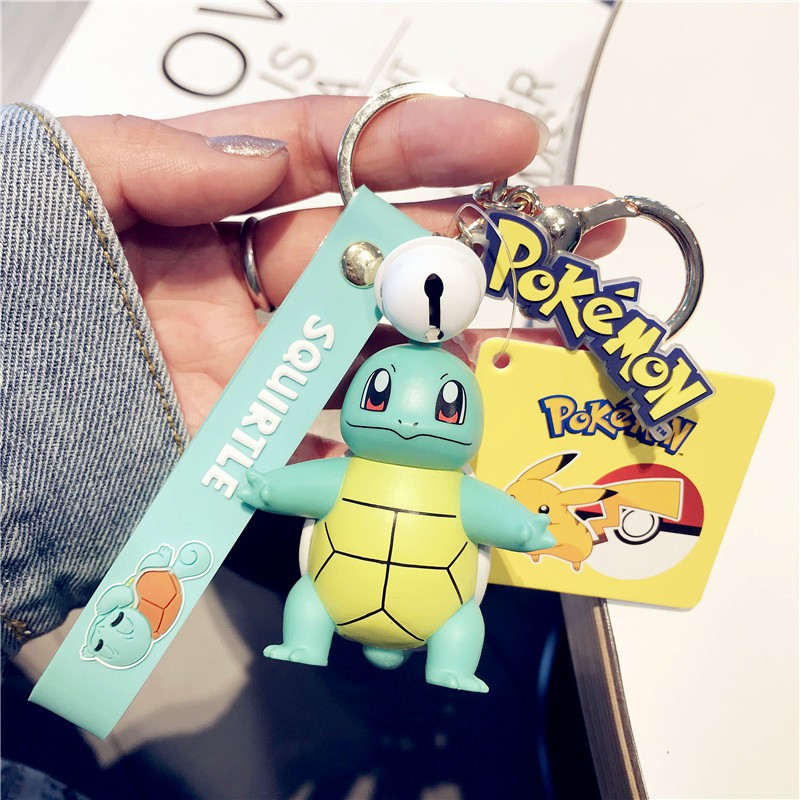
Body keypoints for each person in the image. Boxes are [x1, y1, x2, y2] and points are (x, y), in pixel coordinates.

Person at [1, 96, 621, 799]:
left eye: (449, 407)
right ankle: (306, 639)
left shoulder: (446, 485)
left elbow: (485, 512)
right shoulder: (386, 471)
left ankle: (450, 662)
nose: (409, 418)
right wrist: (270, 488)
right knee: (310, 605)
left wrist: (523, 527)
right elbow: (318, 489)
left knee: (451, 624)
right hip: (351, 588)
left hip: (417, 596)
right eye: (379, 396)